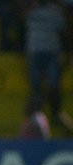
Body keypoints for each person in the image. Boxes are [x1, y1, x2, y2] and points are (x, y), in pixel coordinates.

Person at [21, 0, 73, 133]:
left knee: (52, 85)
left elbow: (64, 30)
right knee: (37, 86)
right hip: (39, 52)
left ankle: (54, 114)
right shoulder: (34, 11)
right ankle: (38, 118)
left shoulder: (49, 12)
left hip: (47, 52)